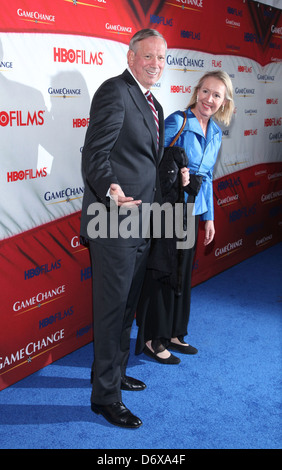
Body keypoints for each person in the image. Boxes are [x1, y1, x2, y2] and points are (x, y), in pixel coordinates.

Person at [80, 29, 169, 429]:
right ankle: (104, 398)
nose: (156, 64)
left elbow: (145, 163)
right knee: (111, 310)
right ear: (131, 57)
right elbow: (95, 155)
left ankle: (113, 375)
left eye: (162, 58)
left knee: (127, 307)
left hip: (142, 222)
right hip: (113, 221)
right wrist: (110, 188)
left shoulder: (156, 105)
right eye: (149, 56)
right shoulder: (114, 91)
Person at [135, 70, 234, 364]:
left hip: (192, 210)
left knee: (181, 272)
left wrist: (210, 218)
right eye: (205, 91)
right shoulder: (178, 122)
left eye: (216, 95)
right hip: (169, 208)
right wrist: (176, 175)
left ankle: (175, 332)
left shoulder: (215, 131)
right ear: (196, 91)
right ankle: (154, 337)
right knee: (163, 271)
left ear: (224, 101)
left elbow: (208, 177)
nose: (209, 99)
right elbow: (152, 161)